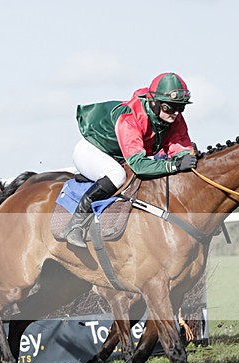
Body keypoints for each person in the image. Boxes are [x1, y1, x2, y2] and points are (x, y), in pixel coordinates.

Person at [63, 72, 197, 247]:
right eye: (169, 108)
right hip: (92, 150)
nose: (175, 114)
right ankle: (76, 225)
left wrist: (187, 156)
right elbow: (139, 166)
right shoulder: (130, 118)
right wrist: (174, 165)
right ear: (154, 103)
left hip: (119, 155)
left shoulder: (174, 118)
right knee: (117, 175)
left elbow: (180, 145)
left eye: (180, 108)